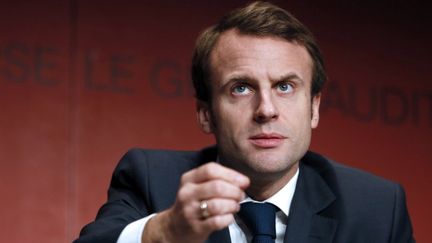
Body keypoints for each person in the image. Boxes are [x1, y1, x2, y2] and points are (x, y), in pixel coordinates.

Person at [74, 2, 415, 243]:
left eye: (285, 86)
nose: (266, 109)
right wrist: (165, 232)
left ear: (314, 108)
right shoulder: (151, 180)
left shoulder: (376, 208)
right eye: (241, 88)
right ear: (205, 113)